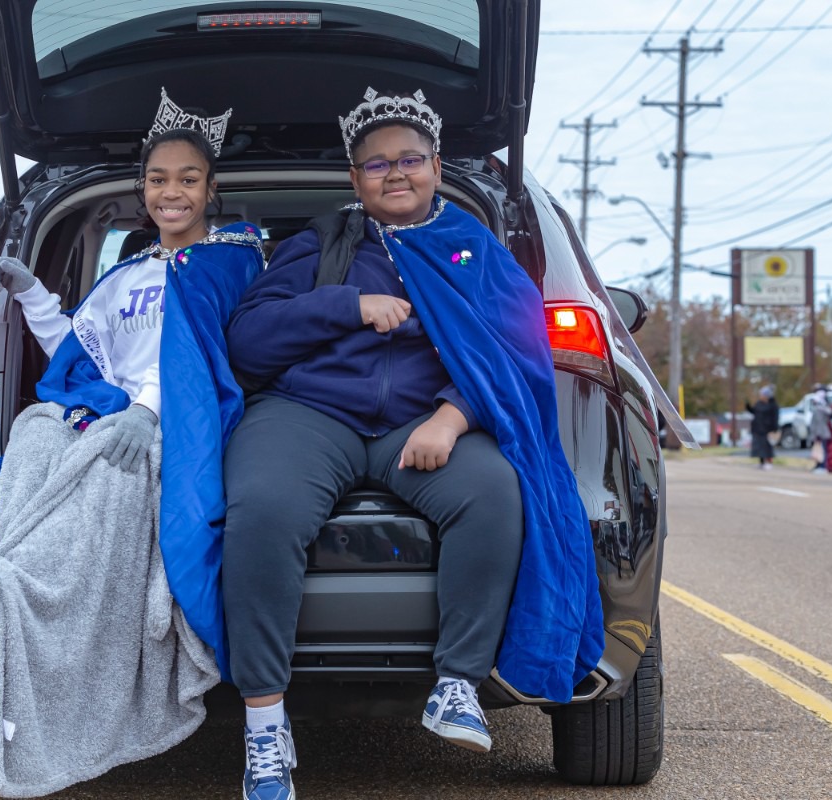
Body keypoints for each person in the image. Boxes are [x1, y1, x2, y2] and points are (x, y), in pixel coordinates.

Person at [222, 88, 603, 799]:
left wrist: (452, 417)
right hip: (310, 412)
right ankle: (265, 726)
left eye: (410, 160)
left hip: (421, 423)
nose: (395, 174)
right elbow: (249, 339)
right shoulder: (321, 242)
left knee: (493, 495)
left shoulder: (475, 250)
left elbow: (516, 353)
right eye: (376, 165)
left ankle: (456, 683)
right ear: (354, 178)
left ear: (435, 166)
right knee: (262, 510)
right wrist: (345, 305)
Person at [0, 90, 263, 795]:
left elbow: (215, 358)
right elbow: (83, 360)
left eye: (188, 178)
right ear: (143, 190)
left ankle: (17, 592)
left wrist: (149, 412)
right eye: (158, 179)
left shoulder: (232, 266)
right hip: (109, 412)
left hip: (176, 425)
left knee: (110, 465)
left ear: (212, 190)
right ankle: (6, 579)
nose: (171, 191)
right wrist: (34, 297)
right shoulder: (125, 275)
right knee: (35, 430)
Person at [745, 386, 779, 470]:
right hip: (757, 429)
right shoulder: (759, 404)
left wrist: (774, 429)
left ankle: (769, 462)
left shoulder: (772, 405)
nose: (761, 396)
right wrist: (748, 406)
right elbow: (754, 411)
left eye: (762, 394)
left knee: (767, 447)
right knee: (759, 447)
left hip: (767, 430)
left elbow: (775, 418)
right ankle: (761, 462)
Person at [808, 386, 832, 473]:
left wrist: (816, 434)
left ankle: (823, 466)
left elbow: (820, 423)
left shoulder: (821, 409)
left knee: (823, 450)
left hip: (821, 433)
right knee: (817, 450)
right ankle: (818, 465)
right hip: (817, 433)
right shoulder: (817, 409)